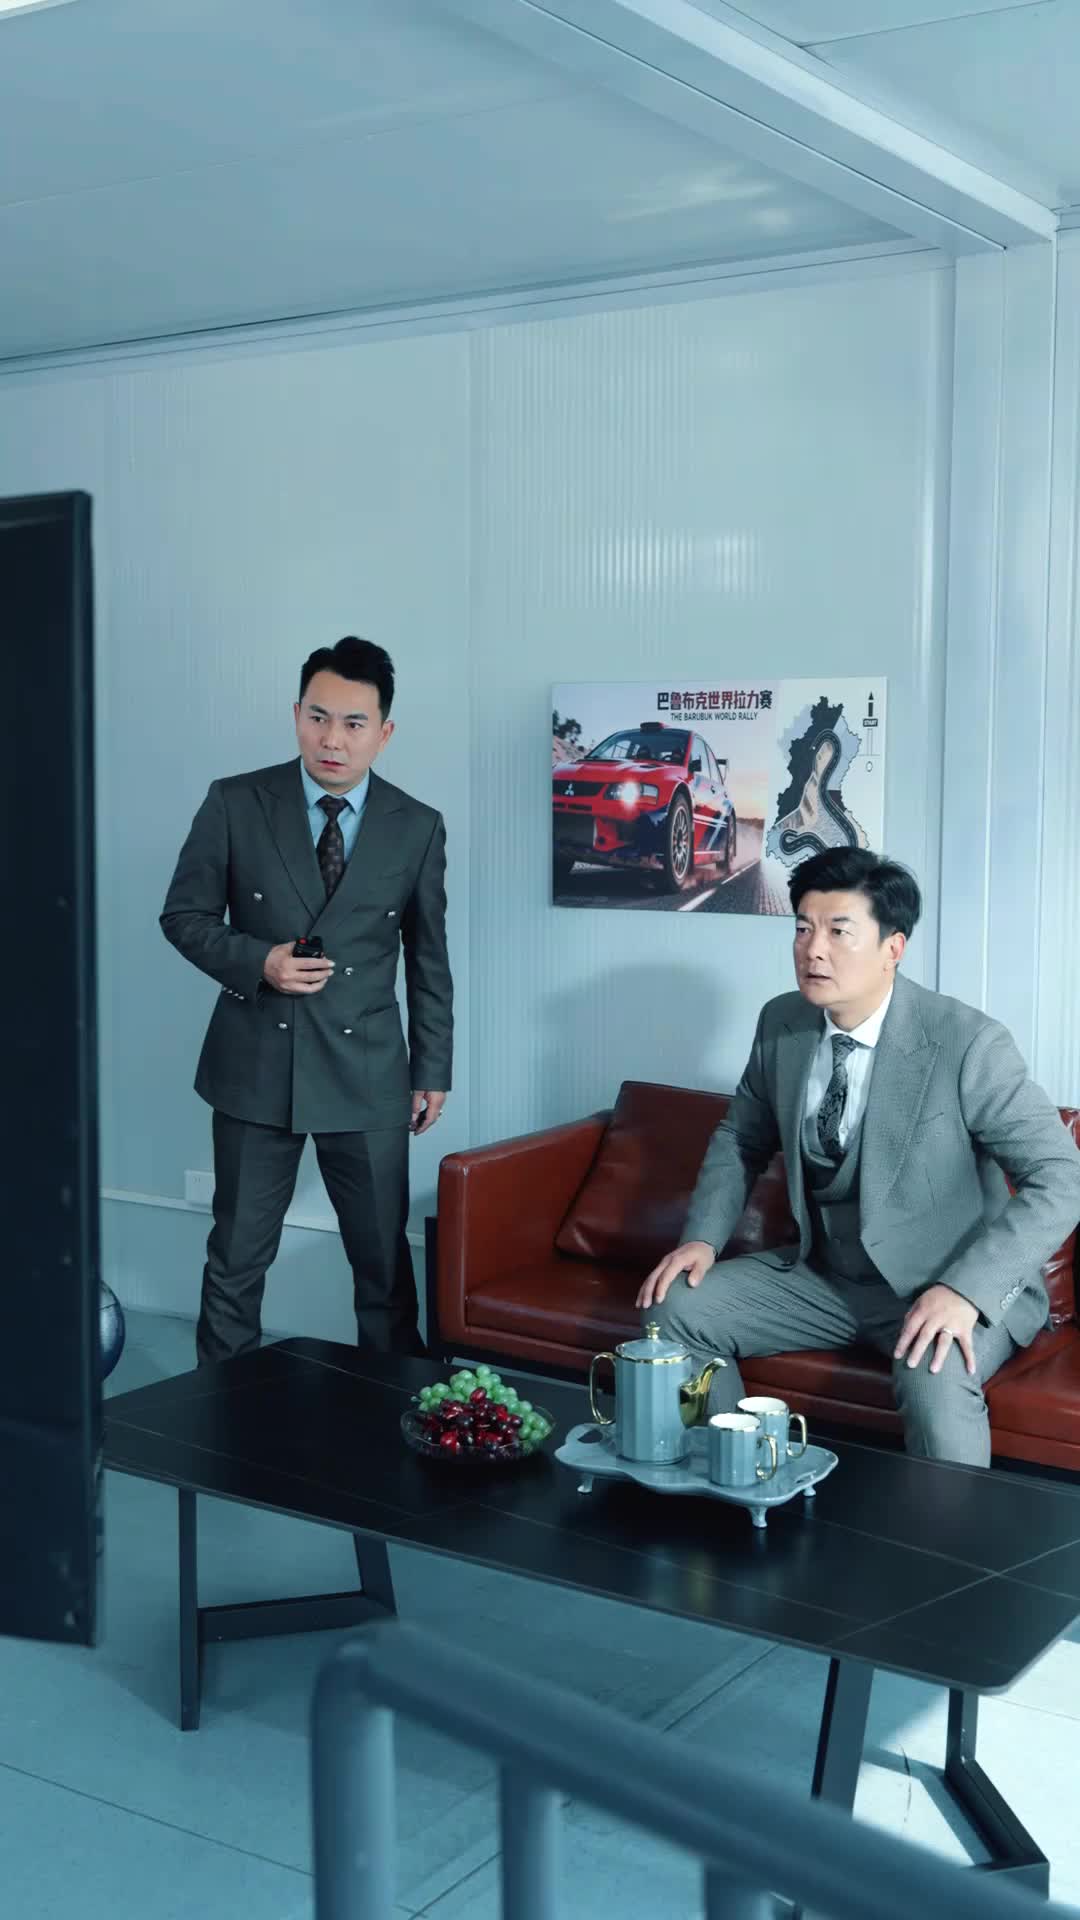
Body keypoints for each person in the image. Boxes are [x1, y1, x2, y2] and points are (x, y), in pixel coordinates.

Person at [638, 848, 1080, 1466]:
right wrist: (703, 1238)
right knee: (674, 1308)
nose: (813, 950)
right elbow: (740, 1137)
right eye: (803, 928)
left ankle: (950, 1530)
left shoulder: (967, 1042)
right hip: (827, 1277)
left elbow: (1060, 1177)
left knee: (934, 1369)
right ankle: (742, 1477)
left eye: (839, 931)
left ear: (892, 948)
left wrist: (966, 1291)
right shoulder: (782, 1023)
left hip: (945, 1279)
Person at [161, 635, 451, 1365]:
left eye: (354, 723)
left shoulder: (417, 825)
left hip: (369, 1072)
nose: (332, 739)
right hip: (256, 1063)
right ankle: (220, 1412)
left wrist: (432, 1069)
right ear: (296, 715)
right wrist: (259, 961)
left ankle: (393, 1414)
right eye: (318, 717)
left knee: (382, 1268)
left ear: (384, 732)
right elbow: (184, 916)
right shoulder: (235, 802)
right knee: (236, 1259)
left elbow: (428, 957)